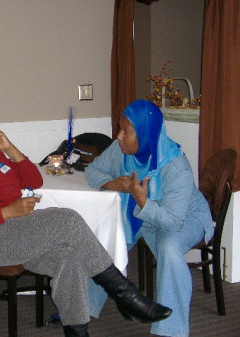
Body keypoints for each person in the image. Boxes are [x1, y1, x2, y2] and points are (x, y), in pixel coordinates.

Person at [0, 98, 172, 337]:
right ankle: (126, 294)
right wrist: (7, 211)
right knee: (67, 219)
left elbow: (33, 181)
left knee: (70, 258)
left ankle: (78, 332)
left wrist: (8, 147)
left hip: (17, 232)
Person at [84, 100, 213, 337]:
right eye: (119, 129)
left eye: (126, 131)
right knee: (107, 240)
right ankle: (82, 310)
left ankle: (172, 328)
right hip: (141, 215)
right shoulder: (119, 149)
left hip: (186, 217)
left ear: (145, 132)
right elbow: (93, 171)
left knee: (170, 246)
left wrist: (143, 201)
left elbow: (174, 222)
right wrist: (114, 184)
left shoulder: (175, 166)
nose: (119, 136)